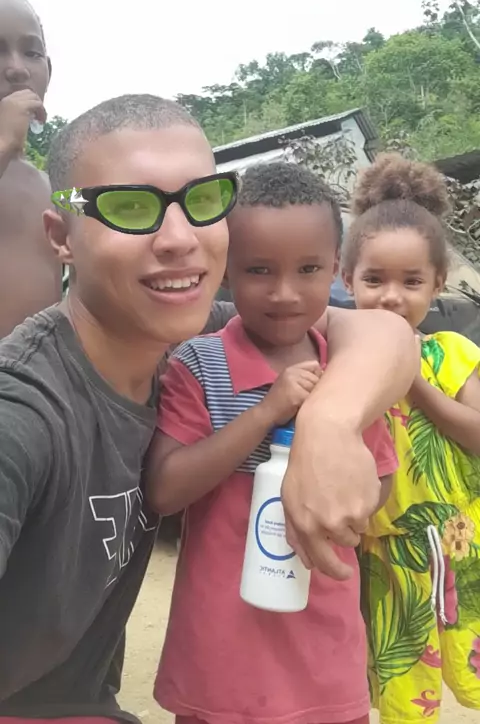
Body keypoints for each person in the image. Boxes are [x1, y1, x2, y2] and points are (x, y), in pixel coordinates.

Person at [0, 94, 415, 722]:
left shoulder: (202, 330)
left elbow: (386, 335)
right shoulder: (24, 414)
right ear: (62, 236)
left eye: (201, 200)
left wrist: (328, 425)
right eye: (130, 207)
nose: (179, 239)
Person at [148, 161, 399, 724]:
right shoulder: (200, 366)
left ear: (335, 271)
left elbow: (380, 482)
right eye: (259, 270)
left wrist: (335, 478)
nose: (284, 293)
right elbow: (164, 490)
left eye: (308, 269)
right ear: (226, 271)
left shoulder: (349, 374)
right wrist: (266, 413)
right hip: (221, 654)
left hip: (323, 652)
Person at [342, 153, 480, 723]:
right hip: (383, 555)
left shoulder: (453, 353)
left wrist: (414, 382)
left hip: (461, 544)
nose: (391, 297)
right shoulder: (339, 358)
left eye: (412, 281)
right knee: (405, 697)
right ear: (347, 280)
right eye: (374, 280)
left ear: (438, 284)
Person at [0, 0, 61, 337]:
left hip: (42, 369)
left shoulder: (48, 186)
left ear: (48, 71)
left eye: (31, 53)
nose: (17, 69)